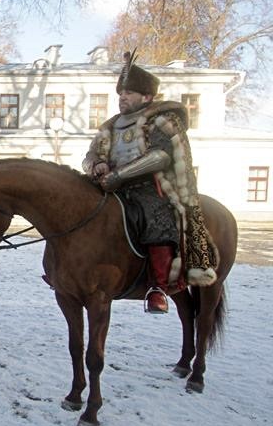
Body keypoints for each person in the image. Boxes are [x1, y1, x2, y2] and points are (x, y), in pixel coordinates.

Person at [82, 51, 218, 314]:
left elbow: (161, 156)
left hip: (149, 187)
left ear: (147, 97)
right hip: (110, 187)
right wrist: (96, 165)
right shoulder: (110, 126)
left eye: (130, 92)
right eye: (121, 92)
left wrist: (119, 175)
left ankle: (157, 287)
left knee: (155, 216)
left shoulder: (162, 120)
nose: (123, 97)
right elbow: (90, 154)